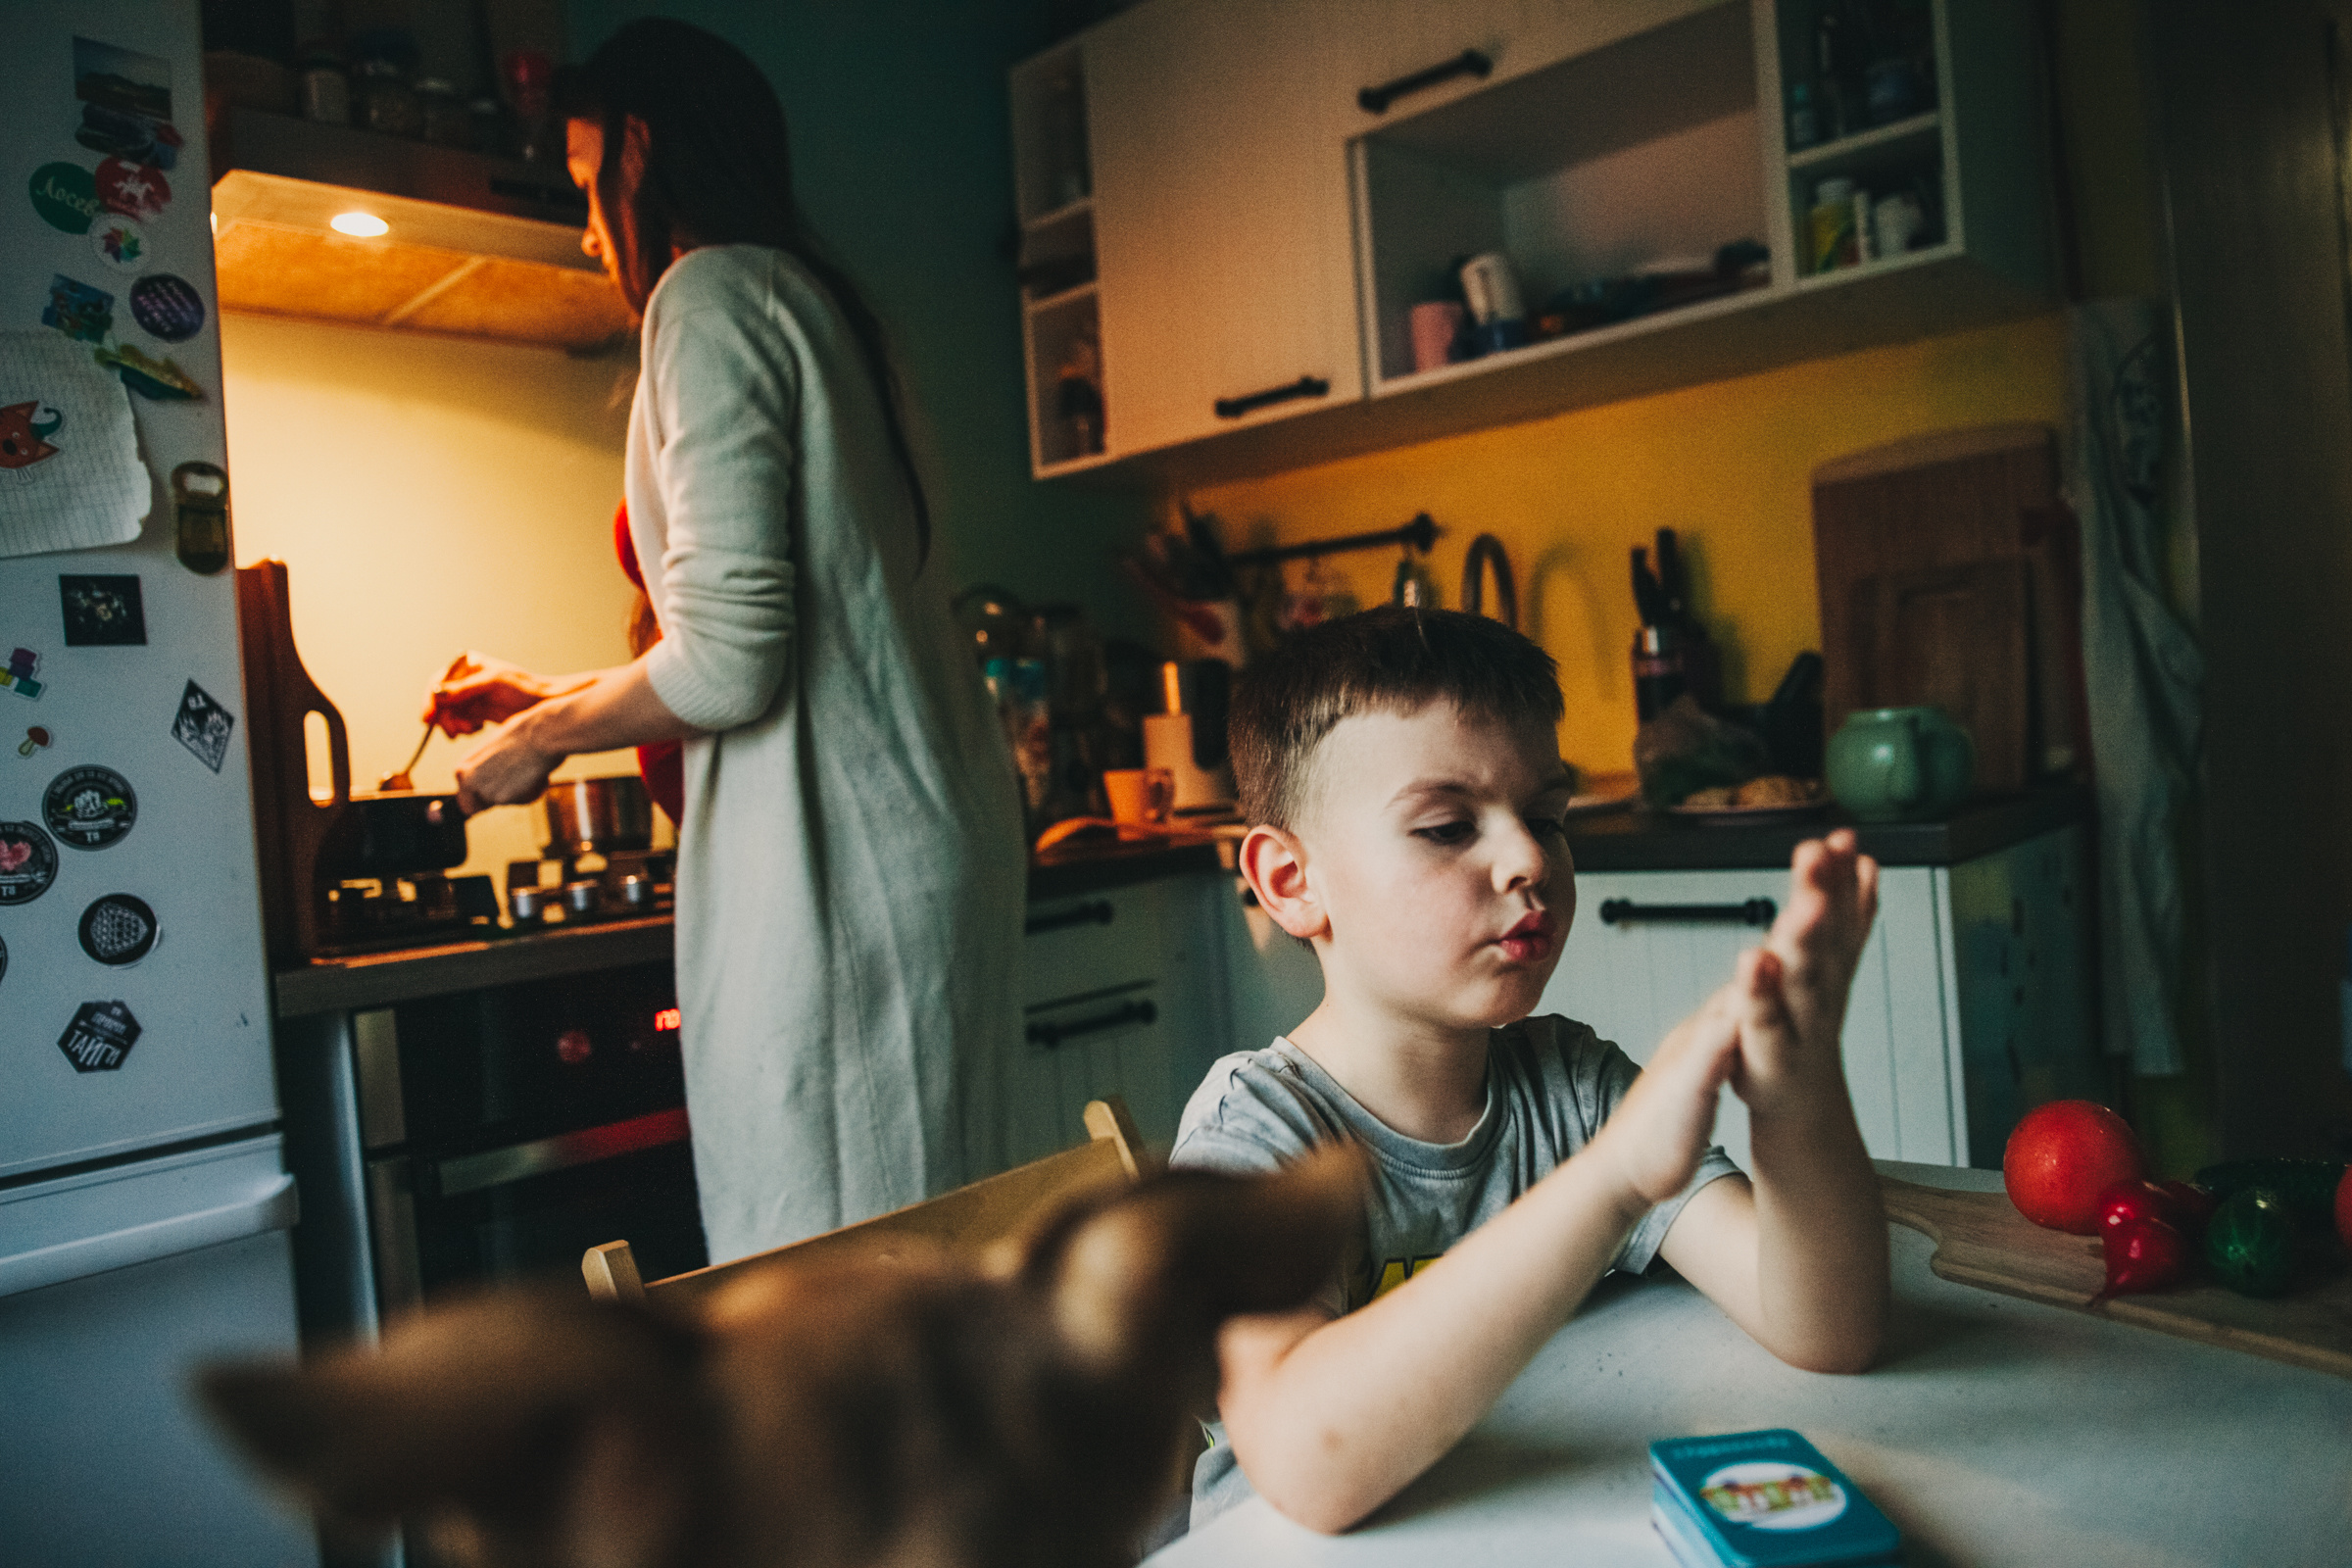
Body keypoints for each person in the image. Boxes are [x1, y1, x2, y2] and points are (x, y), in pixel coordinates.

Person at [423, 20, 1025, 1262]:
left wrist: (537, 741)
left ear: (638, 148)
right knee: (928, 1250)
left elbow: (729, 664)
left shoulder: (708, 296)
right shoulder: (820, 305)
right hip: (911, 857)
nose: (588, 227)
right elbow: (786, 641)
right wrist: (547, 689)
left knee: (834, 1274)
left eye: (588, 175)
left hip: (837, 881)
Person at [1169, 606, 1889, 1534]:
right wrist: (1614, 1180)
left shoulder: (1571, 1087)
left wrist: (1798, 1094)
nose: (1527, 860)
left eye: (1546, 816)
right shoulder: (1256, 1139)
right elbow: (1311, 1475)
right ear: (1291, 883)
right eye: (1445, 827)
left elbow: (1827, 1327)